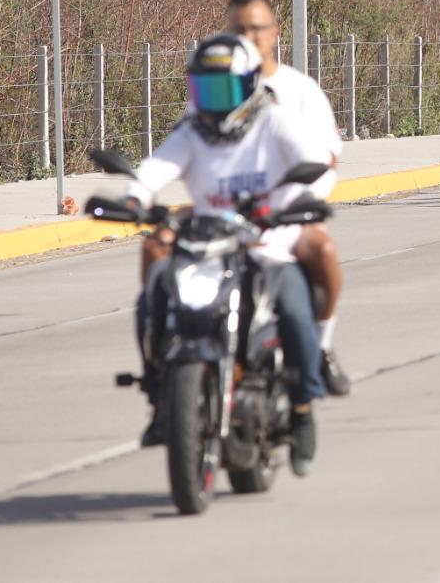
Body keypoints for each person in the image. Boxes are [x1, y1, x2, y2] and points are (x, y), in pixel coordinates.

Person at [128, 32, 329, 471]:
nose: (214, 101)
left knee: (295, 313)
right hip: (208, 247)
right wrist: (134, 196)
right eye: (205, 89)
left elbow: (311, 161)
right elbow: (158, 165)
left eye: (225, 89)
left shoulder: (272, 121)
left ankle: (301, 410)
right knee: (153, 298)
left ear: (249, 83)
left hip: (267, 244)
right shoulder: (193, 130)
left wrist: (291, 204)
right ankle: (162, 399)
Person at [223, 0, 351, 397]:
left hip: (287, 214)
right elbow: (194, 150)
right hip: (230, 215)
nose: (249, 36)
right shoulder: (214, 87)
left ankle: (322, 345)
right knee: (163, 256)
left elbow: (327, 157)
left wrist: (302, 204)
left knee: (323, 251)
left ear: (275, 33)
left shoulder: (300, 90)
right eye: (238, 29)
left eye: (257, 28)